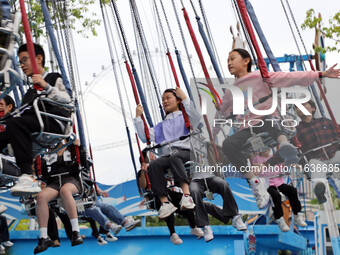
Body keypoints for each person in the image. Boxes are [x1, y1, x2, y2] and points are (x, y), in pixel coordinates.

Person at [217, 48, 340, 209]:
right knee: (228, 144)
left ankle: (284, 144)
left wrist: (320, 74)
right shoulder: (231, 91)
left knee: (267, 116)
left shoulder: (262, 77)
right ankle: (254, 181)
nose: (229, 63)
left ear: (246, 61)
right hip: (249, 127)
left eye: (232, 58)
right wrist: (213, 132)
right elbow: (221, 114)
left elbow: (290, 77)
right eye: (228, 60)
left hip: (270, 121)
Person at [0, 43, 72, 197]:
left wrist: (46, 86)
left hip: (52, 122)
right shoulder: (30, 91)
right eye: (20, 62)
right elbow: (23, 112)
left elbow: (67, 99)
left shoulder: (53, 78)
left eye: (24, 60)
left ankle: (28, 174)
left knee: (15, 124)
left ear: (38, 58)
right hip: (32, 123)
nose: (22, 65)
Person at [134, 87, 201, 219]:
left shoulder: (185, 117)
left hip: (185, 152)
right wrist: (138, 118)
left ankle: (186, 195)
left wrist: (185, 99)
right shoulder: (162, 125)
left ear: (177, 100)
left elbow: (196, 119)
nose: (165, 101)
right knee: (154, 165)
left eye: (168, 98)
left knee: (175, 158)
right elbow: (145, 137)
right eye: (163, 99)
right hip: (169, 156)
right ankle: (165, 202)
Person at [137, 150, 204, 245]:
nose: (153, 155)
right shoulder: (143, 171)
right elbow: (143, 185)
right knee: (166, 204)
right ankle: (173, 233)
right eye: (151, 154)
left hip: (169, 191)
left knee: (184, 199)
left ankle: (194, 226)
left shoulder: (161, 166)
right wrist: (144, 172)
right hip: (156, 194)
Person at [34, 141, 84, 254]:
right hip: (55, 183)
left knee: (65, 191)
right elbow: (42, 172)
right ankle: (44, 237)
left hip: (71, 180)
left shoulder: (73, 148)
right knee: (41, 196)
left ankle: (76, 232)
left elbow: (85, 163)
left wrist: (80, 147)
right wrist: (36, 160)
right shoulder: (49, 153)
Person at [295, 100, 340, 203]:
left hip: (334, 156)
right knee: (314, 165)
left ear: (313, 108)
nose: (300, 107)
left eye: (303, 104)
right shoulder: (296, 131)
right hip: (317, 161)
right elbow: (290, 151)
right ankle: (319, 188)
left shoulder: (325, 121)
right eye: (297, 107)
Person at [252, 148, 307, 232]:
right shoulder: (257, 158)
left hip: (279, 182)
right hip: (267, 184)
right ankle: (280, 219)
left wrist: (297, 166)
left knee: (292, 190)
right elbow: (253, 166)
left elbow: (285, 164)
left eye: (267, 148)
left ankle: (297, 214)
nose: (265, 150)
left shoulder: (274, 158)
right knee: (275, 195)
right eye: (263, 149)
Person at [189, 169, 247, 242]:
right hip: (195, 181)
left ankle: (234, 216)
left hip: (211, 177)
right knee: (195, 191)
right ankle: (205, 226)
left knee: (223, 184)